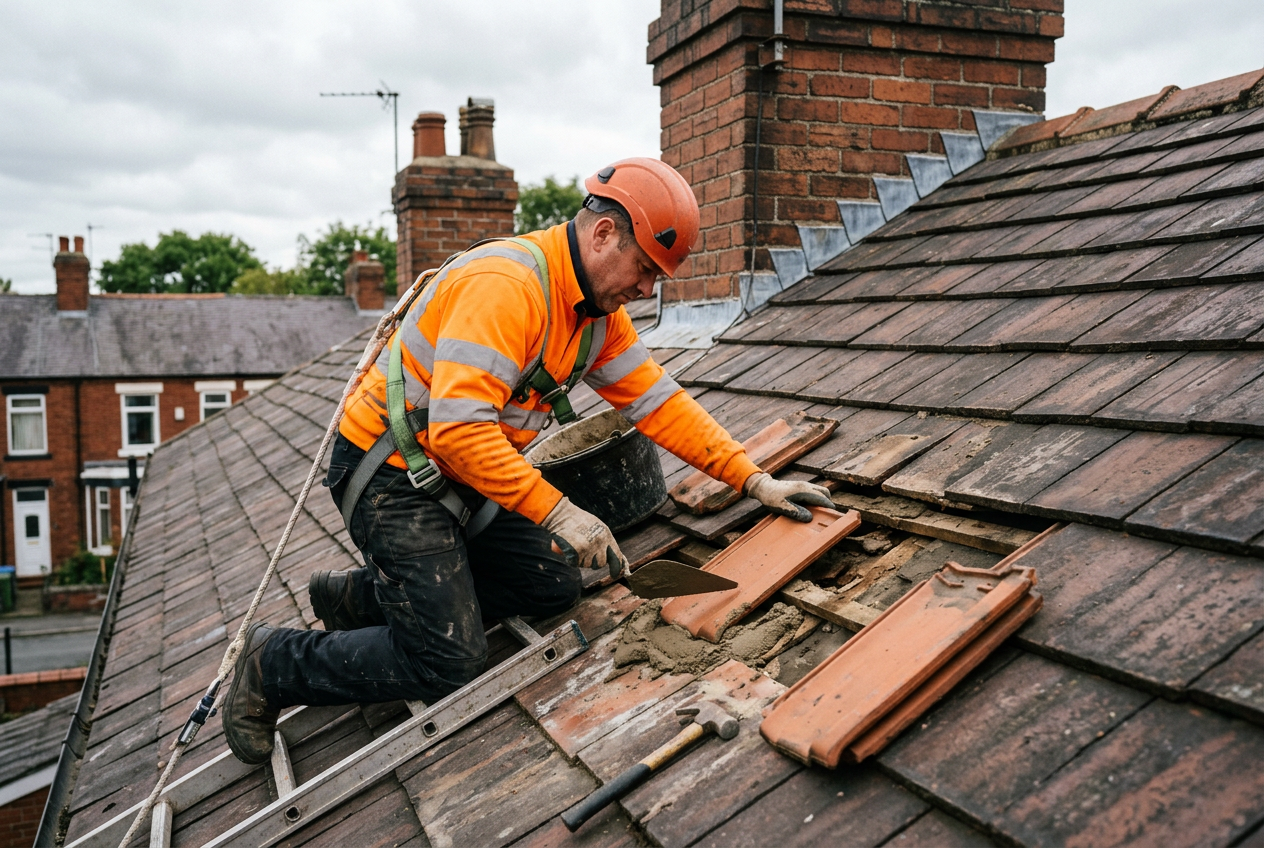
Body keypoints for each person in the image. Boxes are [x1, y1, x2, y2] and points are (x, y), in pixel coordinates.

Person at [222, 157, 832, 764]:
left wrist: (752, 477)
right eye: (645, 268)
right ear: (602, 235)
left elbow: (658, 403)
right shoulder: (507, 290)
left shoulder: (596, 320)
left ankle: (357, 599)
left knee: (552, 581)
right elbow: (459, 432)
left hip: (466, 473)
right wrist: (561, 513)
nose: (647, 289)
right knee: (448, 659)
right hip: (390, 475)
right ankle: (273, 661)